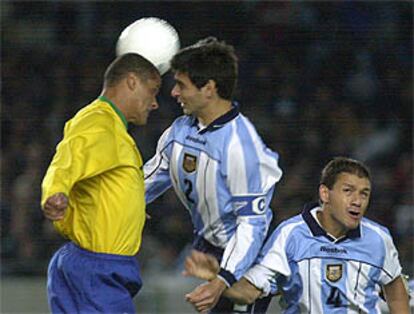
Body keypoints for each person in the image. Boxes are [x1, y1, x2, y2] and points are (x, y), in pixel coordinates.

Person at [144, 37, 283, 313]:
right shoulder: (180, 130)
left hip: (245, 262)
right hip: (207, 248)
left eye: (181, 85)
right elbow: (145, 181)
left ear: (209, 89)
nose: (174, 93)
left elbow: (252, 225)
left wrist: (224, 279)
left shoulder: (242, 148)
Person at [184, 157, 410, 313]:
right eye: (348, 191)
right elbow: (251, 291)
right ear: (325, 193)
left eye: (364, 194)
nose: (357, 201)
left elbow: (395, 287)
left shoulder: (378, 238)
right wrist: (218, 276)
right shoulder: (290, 235)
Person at [41, 53, 161, 313]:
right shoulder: (100, 123)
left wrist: (131, 211)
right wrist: (55, 192)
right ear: (131, 82)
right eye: (152, 91)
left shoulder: (110, 127)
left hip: (89, 265)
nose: (154, 103)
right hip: (97, 269)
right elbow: (69, 157)